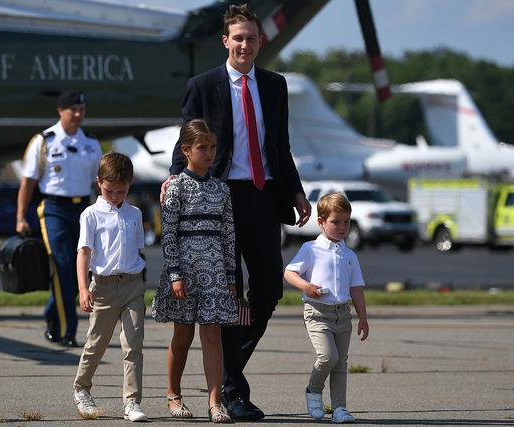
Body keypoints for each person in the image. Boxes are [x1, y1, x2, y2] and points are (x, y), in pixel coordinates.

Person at [162, 3, 311, 421]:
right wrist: (176, 177)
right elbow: (186, 139)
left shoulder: (274, 85)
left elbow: (279, 146)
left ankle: (228, 372)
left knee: (267, 291)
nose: (245, 44)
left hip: (263, 197)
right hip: (218, 198)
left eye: (252, 38)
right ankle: (232, 392)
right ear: (226, 41)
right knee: (229, 297)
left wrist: (296, 191)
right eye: (238, 38)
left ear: (261, 42)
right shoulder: (204, 85)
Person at [152, 119, 238, 423]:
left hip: (214, 270)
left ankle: (216, 402)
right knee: (184, 333)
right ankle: (173, 395)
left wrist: (230, 277)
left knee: (212, 333)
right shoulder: (175, 187)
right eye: (202, 147)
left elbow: (228, 235)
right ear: (186, 150)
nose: (209, 153)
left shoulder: (221, 190)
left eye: (213, 147)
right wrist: (175, 274)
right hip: (185, 272)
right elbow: (169, 235)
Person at [16, 91, 102, 347]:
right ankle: (66, 331)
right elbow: (28, 181)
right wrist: (21, 216)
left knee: (79, 271)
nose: (77, 115)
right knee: (62, 266)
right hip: (53, 209)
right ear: (60, 111)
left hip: (83, 210)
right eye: (72, 109)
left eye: (81, 110)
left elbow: (99, 182)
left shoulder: (92, 142)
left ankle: (52, 316)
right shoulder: (44, 140)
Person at [72, 152, 148, 422]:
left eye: (121, 191)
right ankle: (82, 389)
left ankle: (132, 402)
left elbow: (137, 250)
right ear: (98, 183)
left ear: (129, 185)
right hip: (102, 287)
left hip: (132, 286)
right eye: (109, 190)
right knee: (96, 343)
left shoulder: (135, 213)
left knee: (133, 345)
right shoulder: (90, 215)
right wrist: (83, 288)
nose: (115, 196)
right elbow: (84, 252)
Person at [284, 192, 369, 424]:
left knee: (341, 362)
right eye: (335, 222)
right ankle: (313, 390)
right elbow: (290, 273)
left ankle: (340, 408)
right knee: (328, 356)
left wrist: (363, 317)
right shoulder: (310, 249)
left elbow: (357, 289)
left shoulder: (350, 255)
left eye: (346, 222)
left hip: (343, 314)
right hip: (317, 312)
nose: (342, 227)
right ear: (321, 222)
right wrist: (306, 287)